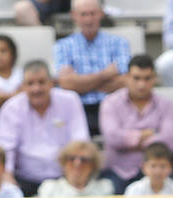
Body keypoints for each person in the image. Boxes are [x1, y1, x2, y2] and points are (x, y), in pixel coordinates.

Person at [0, 60, 89, 195]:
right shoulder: (11, 108)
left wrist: (74, 178)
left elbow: (80, 142)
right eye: (30, 83)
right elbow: (5, 149)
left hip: (64, 179)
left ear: (51, 83)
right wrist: (8, 180)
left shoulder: (70, 101)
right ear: (22, 86)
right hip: (23, 180)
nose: (36, 89)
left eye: (41, 82)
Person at [98, 53, 173, 193]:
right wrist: (149, 135)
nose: (142, 84)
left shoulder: (166, 104)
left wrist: (129, 140)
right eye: (136, 78)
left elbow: (170, 142)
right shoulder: (110, 102)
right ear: (126, 78)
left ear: (155, 78)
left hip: (156, 172)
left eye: (147, 78)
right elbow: (112, 138)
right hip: (118, 171)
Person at [52, 0, 128, 136]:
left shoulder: (119, 43)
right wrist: (106, 75)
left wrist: (80, 82)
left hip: (113, 106)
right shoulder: (62, 45)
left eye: (92, 14)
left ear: (101, 14)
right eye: (83, 14)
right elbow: (66, 83)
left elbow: (125, 81)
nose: (88, 19)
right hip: (77, 108)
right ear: (73, 15)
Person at [36, 138, 113, 198]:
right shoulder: (50, 188)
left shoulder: (104, 189)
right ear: (64, 163)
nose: (77, 163)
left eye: (84, 160)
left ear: (93, 165)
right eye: (72, 159)